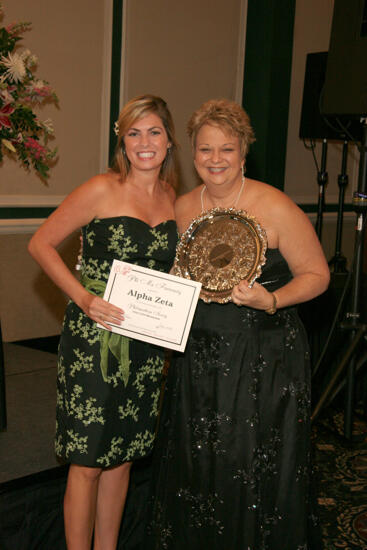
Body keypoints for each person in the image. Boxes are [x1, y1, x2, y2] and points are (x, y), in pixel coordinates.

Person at [143, 99, 330, 549]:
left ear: (243, 152)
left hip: (263, 356)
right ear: (192, 153)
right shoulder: (184, 207)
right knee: (200, 459)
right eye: (205, 150)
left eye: (226, 149)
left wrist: (272, 299)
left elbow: (319, 276)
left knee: (249, 460)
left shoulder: (275, 204)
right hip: (200, 356)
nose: (215, 160)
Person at [28, 94, 179, 550]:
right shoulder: (101, 189)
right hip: (94, 339)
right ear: (122, 141)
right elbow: (40, 244)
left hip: (147, 345)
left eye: (153, 131)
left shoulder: (175, 198)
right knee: (89, 459)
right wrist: (83, 298)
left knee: (124, 457)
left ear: (170, 140)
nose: (144, 142)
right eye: (134, 133)